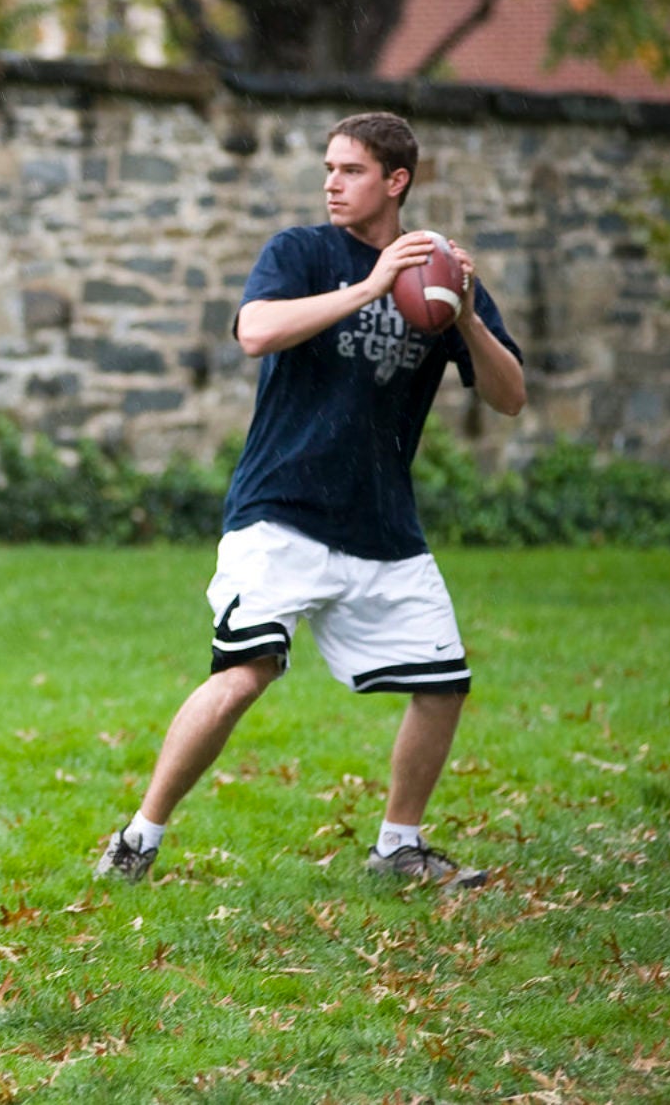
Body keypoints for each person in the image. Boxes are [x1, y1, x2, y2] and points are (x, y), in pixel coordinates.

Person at [94, 112, 525, 890]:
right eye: (329, 168)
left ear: (396, 181)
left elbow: (511, 396)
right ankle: (138, 837)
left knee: (443, 685)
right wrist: (367, 286)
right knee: (244, 671)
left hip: (381, 522)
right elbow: (255, 332)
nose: (331, 182)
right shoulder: (301, 252)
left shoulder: (442, 274)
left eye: (351, 170)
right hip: (281, 508)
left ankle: (399, 844)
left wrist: (464, 312)